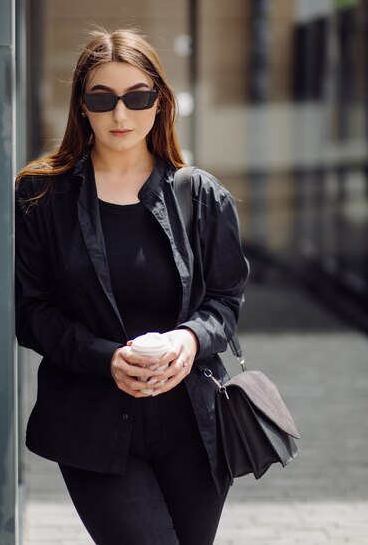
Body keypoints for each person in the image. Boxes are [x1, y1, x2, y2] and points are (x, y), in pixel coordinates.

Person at [15, 28, 249, 545]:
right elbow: (30, 312)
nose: (121, 116)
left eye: (137, 97)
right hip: (91, 424)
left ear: (161, 102)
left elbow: (225, 301)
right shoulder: (39, 197)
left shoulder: (201, 195)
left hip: (196, 427)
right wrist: (107, 358)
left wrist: (188, 339)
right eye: (103, 99)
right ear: (82, 106)